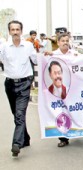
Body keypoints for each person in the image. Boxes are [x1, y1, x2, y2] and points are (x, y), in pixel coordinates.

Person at [0, 20, 37, 157]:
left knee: (20, 114)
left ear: (21, 31)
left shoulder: (28, 46)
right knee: (16, 114)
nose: (15, 32)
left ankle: (16, 144)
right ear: (9, 31)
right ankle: (25, 139)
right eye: (13, 30)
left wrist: (50, 55)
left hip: (24, 84)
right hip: (9, 84)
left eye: (17, 29)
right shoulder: (4, 47)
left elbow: (37, 60)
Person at [45, 33, 77, 147]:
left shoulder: (75, 54)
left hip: (73, 89)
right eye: (62, 40)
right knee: (61, 112)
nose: (65, 42)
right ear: (58, 42)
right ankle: (63, 138)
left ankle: (78, 131)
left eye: (67, 40)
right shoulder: (53, 55)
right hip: (58, 91)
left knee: (75, 110)